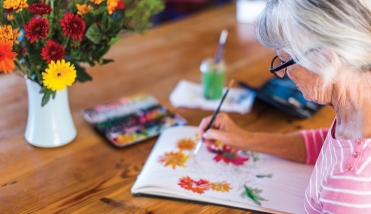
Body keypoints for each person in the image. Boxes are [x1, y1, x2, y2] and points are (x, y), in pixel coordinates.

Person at [198, 0, 371, 213]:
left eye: (285, 61)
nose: (284, 75)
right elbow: (328, 147)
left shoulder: (350, 187)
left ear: (326, 60)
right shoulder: (357, 113)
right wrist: (244, 139)